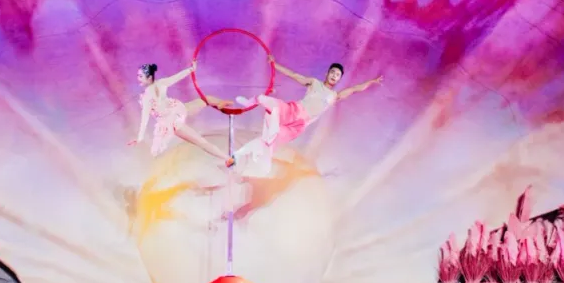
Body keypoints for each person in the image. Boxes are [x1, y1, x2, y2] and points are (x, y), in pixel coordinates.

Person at [232, 57, 382, 174]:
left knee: (272, 140)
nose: (334, 76)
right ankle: (250, 102)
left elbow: (355, 89)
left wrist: (371, 82)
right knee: (264, 100)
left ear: (339, 79)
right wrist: (274, 64)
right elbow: (293, 75)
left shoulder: (335, 96)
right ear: (327, 73)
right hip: (293, 110)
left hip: (299, 124)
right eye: (333, 72)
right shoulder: (314, 82)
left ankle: (260, 160)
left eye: (338, 75)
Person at [128, 62, 236, 167]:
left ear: (149, 77)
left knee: (201, 142)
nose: (138, 78)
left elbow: (145, 118)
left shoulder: (146, 97)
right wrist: (191, 69)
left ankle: (227, 158)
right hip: (177, 110)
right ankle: (220, 103)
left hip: (171, 122)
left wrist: (139, 138)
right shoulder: (161, 83)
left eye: (140, 76)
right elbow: (177, 77)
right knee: (205, 100)